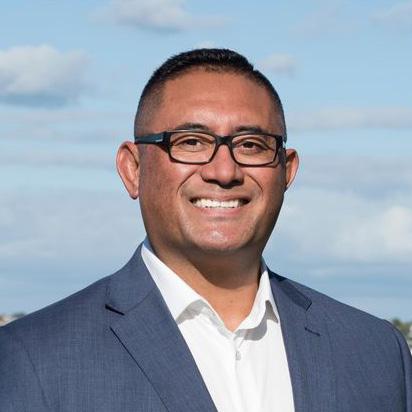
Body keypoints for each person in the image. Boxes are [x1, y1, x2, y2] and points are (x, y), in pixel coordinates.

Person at [0, 48, 410, 412]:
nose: (224, 171)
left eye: (251, 145)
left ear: (287, 171)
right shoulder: (32, 358)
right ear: (133, 168)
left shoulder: (374, 351)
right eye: (191, 142)